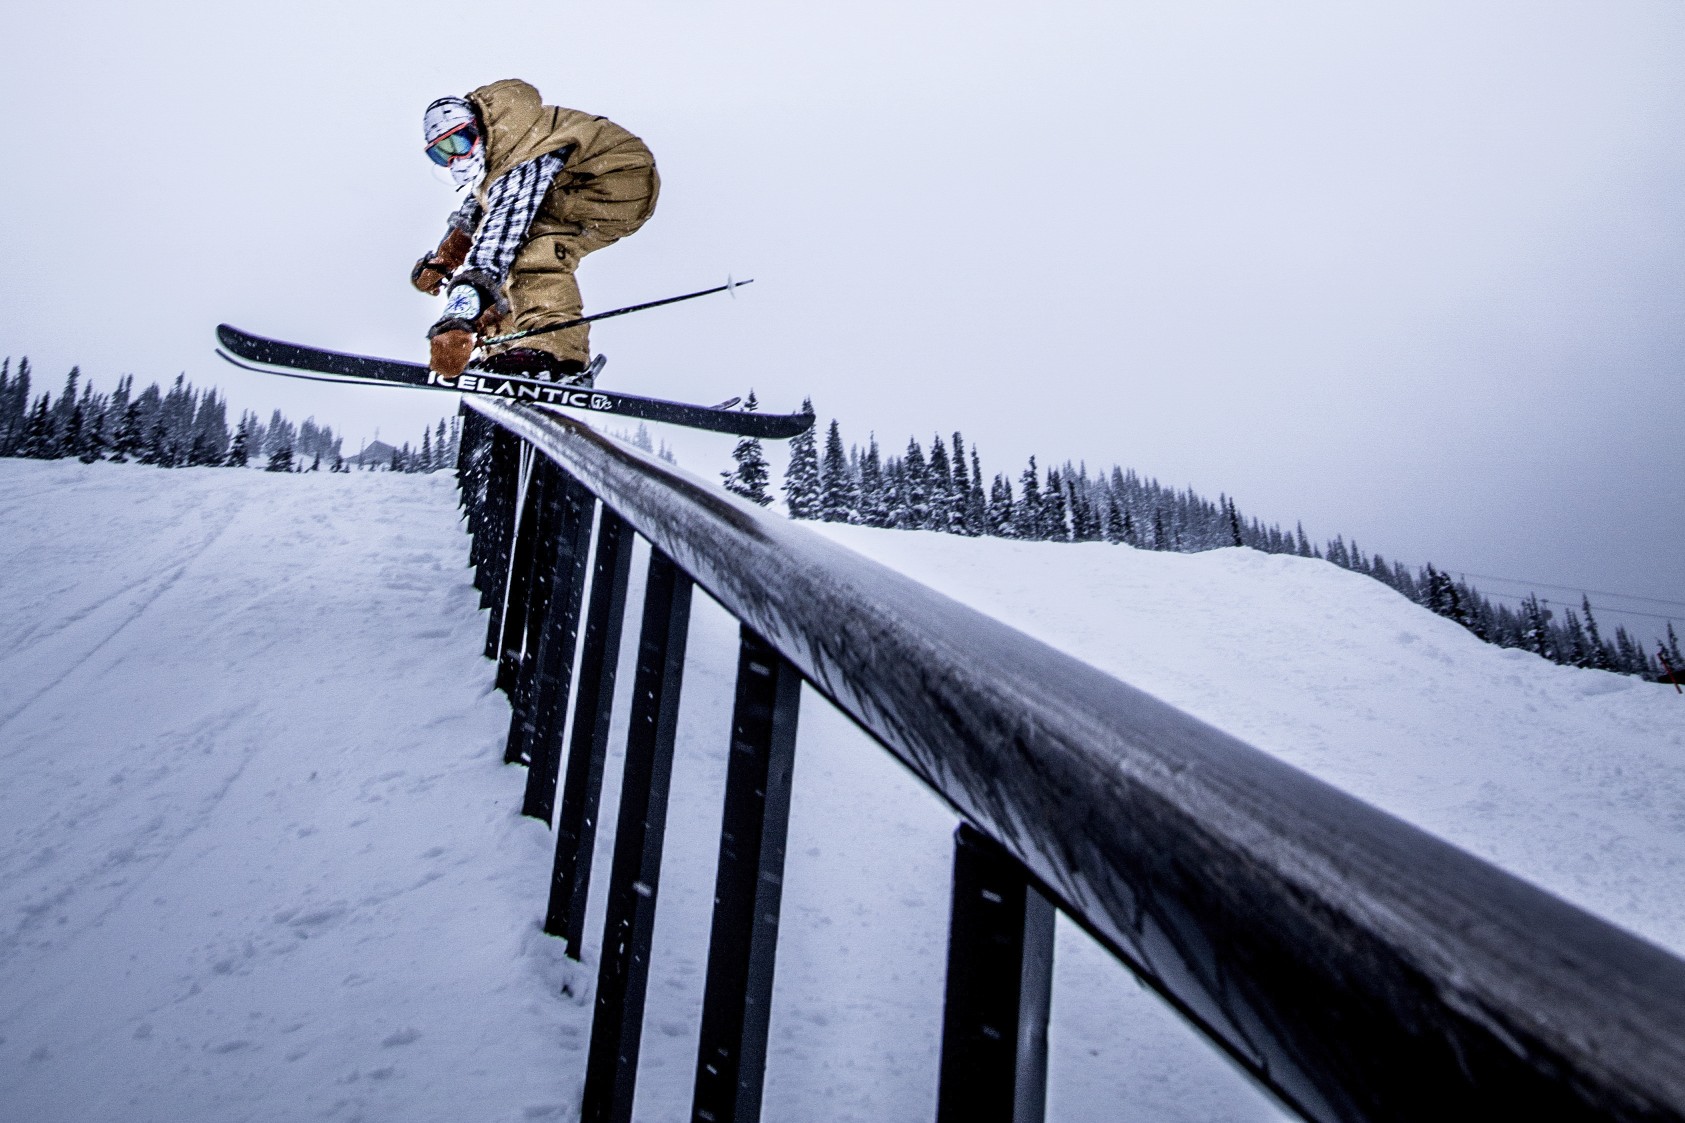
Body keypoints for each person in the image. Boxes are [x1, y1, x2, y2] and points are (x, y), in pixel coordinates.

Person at [412, 79, 660, 383]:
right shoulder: (497, 149)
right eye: (442, 153)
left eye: (460, 143)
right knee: (507, 261)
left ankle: (554, 352)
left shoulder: (520, 148)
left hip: (612, 181)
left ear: (476, 127)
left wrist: (457, 318)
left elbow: (499, 234)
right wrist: (447, 257)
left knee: (530, 252)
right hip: (569, 187)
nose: (455, 158)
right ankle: (507, 350)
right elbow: (479, 209)